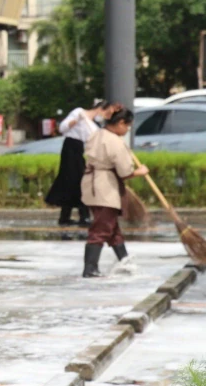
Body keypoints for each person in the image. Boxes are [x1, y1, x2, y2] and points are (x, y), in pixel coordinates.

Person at [80, 107, 150, 278]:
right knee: (102, 228)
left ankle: (124, 260)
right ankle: (90, 268)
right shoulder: (115, 142)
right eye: (127, 126)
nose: (127, 130)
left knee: (112, 228)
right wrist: (139, 172)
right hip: (105, 188)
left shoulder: (97, 134)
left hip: (92, 184)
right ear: (120, 123)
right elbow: (125, 171)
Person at [45, 100, 113, 226]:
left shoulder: (93, 126)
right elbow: (62, 128)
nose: (105, 116)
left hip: (81, 150)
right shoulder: (79, 112)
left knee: (77, 182)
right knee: (74, 180)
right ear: (100, 109)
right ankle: (82, 216)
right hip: (70, 148)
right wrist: (76, 121)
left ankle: (67, 217)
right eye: (106, 113)